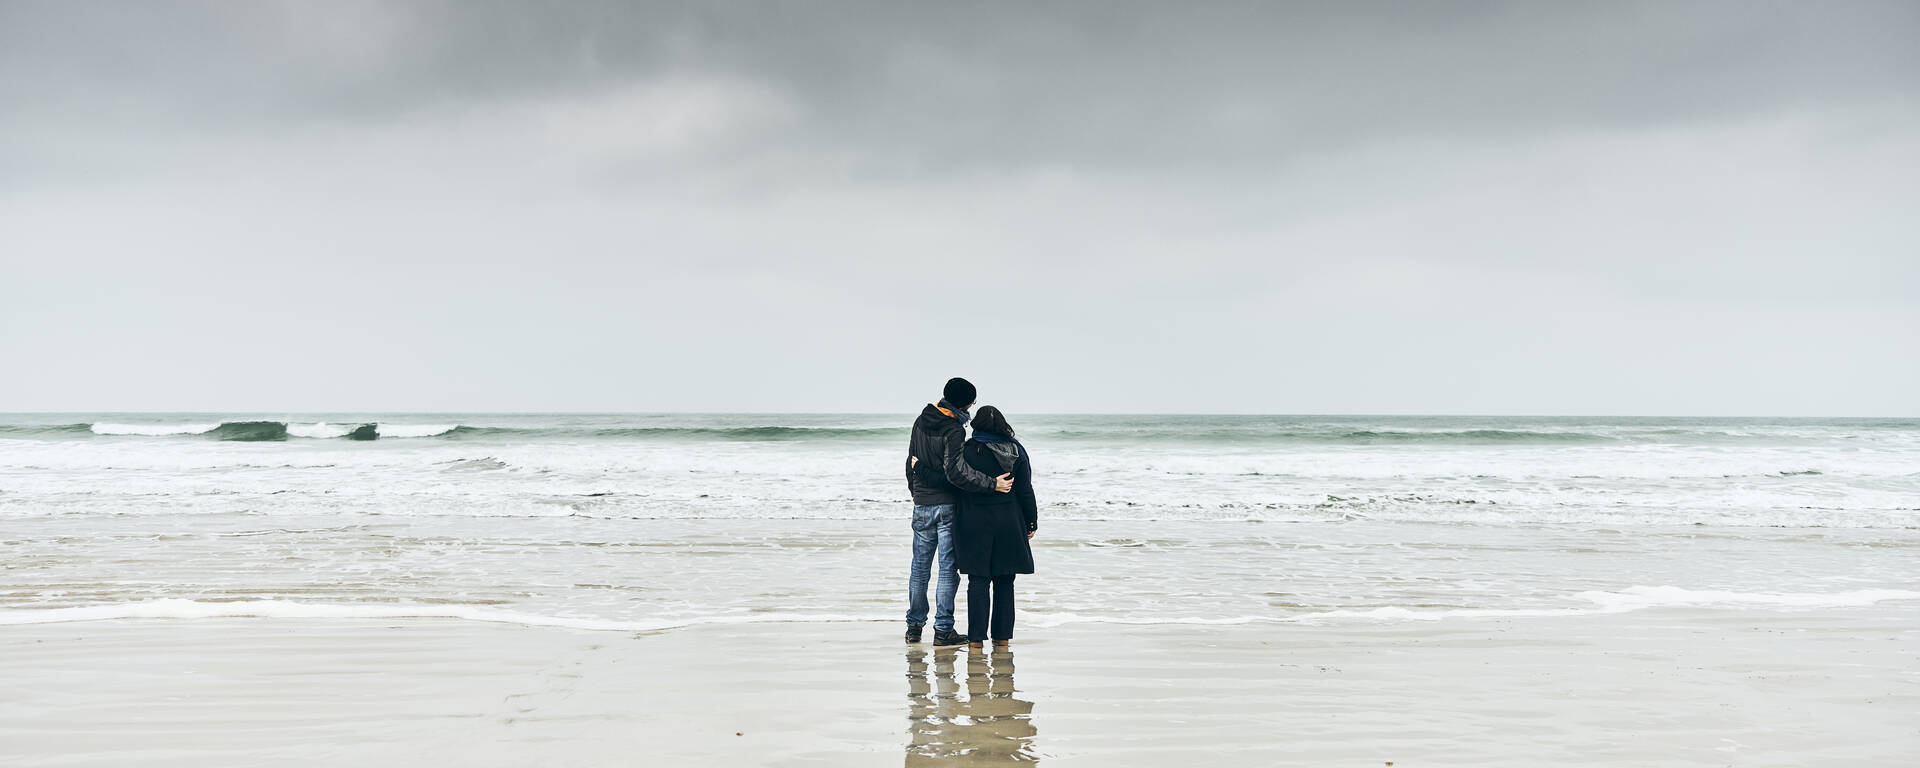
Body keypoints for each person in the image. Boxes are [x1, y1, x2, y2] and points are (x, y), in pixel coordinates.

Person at [905, 378, 1014, 646]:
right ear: (964, 403)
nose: (974, 405)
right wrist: (992, 484)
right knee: (947, 568)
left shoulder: (921, 420)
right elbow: (955, 473)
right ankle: (943, 630)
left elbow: (910, 462)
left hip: (921, 504)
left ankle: (914, 627)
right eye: (972, 401)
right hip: (946, 507)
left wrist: (916, 490)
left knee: (919, 568)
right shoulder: (954, 430)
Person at [952, 406, 1036, 650]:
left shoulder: (966, 450)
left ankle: (976, 641)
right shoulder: (1016, 450)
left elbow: (957, 483)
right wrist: (1031, 521)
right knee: (1005, 580)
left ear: (976, 425)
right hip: (1009, 521)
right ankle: (1002, 639)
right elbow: (1025, 489)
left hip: (973, 521)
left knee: (978, 580)